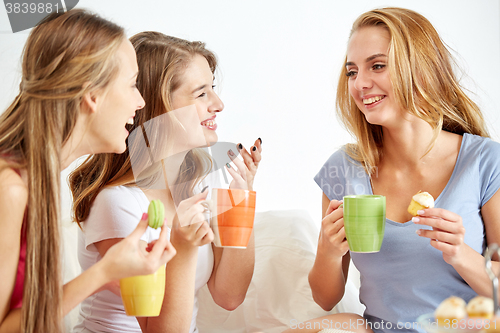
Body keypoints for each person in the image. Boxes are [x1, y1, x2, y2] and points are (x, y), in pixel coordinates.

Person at [304, 7, 500, 333]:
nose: (360, 84)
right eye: (352, 72)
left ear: (420, 69)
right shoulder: (344, 169)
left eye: (377, 66)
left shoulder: (484, 161)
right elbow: (325, 298)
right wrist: (327, 250)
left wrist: (461, 254)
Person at [69, 31, 262, 333]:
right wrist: (182, 246)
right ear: (158, 105)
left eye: (213, 89)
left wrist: (241, 200)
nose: (218, 104)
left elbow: (229, 295)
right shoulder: (117, 202)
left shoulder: (196, 186)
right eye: (201, 94)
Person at [0, 10, 176, 333]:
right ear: (91, 94)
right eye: (133, 84)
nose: (140, 102)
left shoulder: (40, 176)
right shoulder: (10, 187)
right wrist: (103, 272)